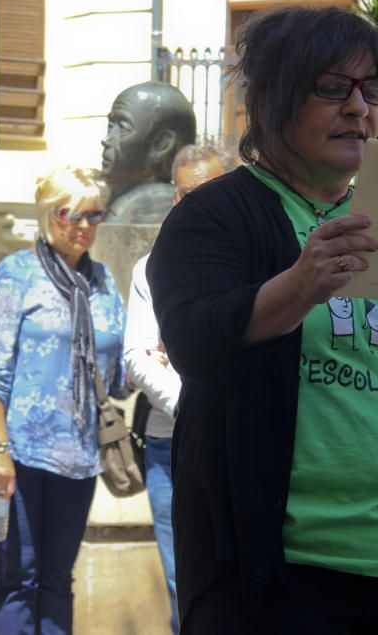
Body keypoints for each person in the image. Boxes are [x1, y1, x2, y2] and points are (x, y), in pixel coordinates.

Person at [146, 7, 378, 634]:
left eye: (374, 90)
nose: (359, 108)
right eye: (331, 87)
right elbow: (196, 343)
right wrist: (300, 284)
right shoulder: (217, 215)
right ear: (271, 101)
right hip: (280, 569)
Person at [0, 168, 127, 634]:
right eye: (70, 214)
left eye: (93, 215)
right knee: (20, 574)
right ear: (47, 215)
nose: (83, 226)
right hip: (15, 449)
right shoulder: (15, 274)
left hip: (77, 453)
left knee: (58, 578)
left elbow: (116, 377)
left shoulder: (103, 282)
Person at [124, 144, 230, 635]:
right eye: (187, 194)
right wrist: (201, 404)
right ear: (174, 198)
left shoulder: (258, 257)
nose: (196, 204)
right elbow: (139, 358)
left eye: (209, 191)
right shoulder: (148, 269)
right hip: (173, 446)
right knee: (181, 579)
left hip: (243, 443)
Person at [101, 82, 197, 224]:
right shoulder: (119, 204)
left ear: (162, 145)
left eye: (122, 127)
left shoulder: (149, 209)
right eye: (110, 126)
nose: (106, 140)